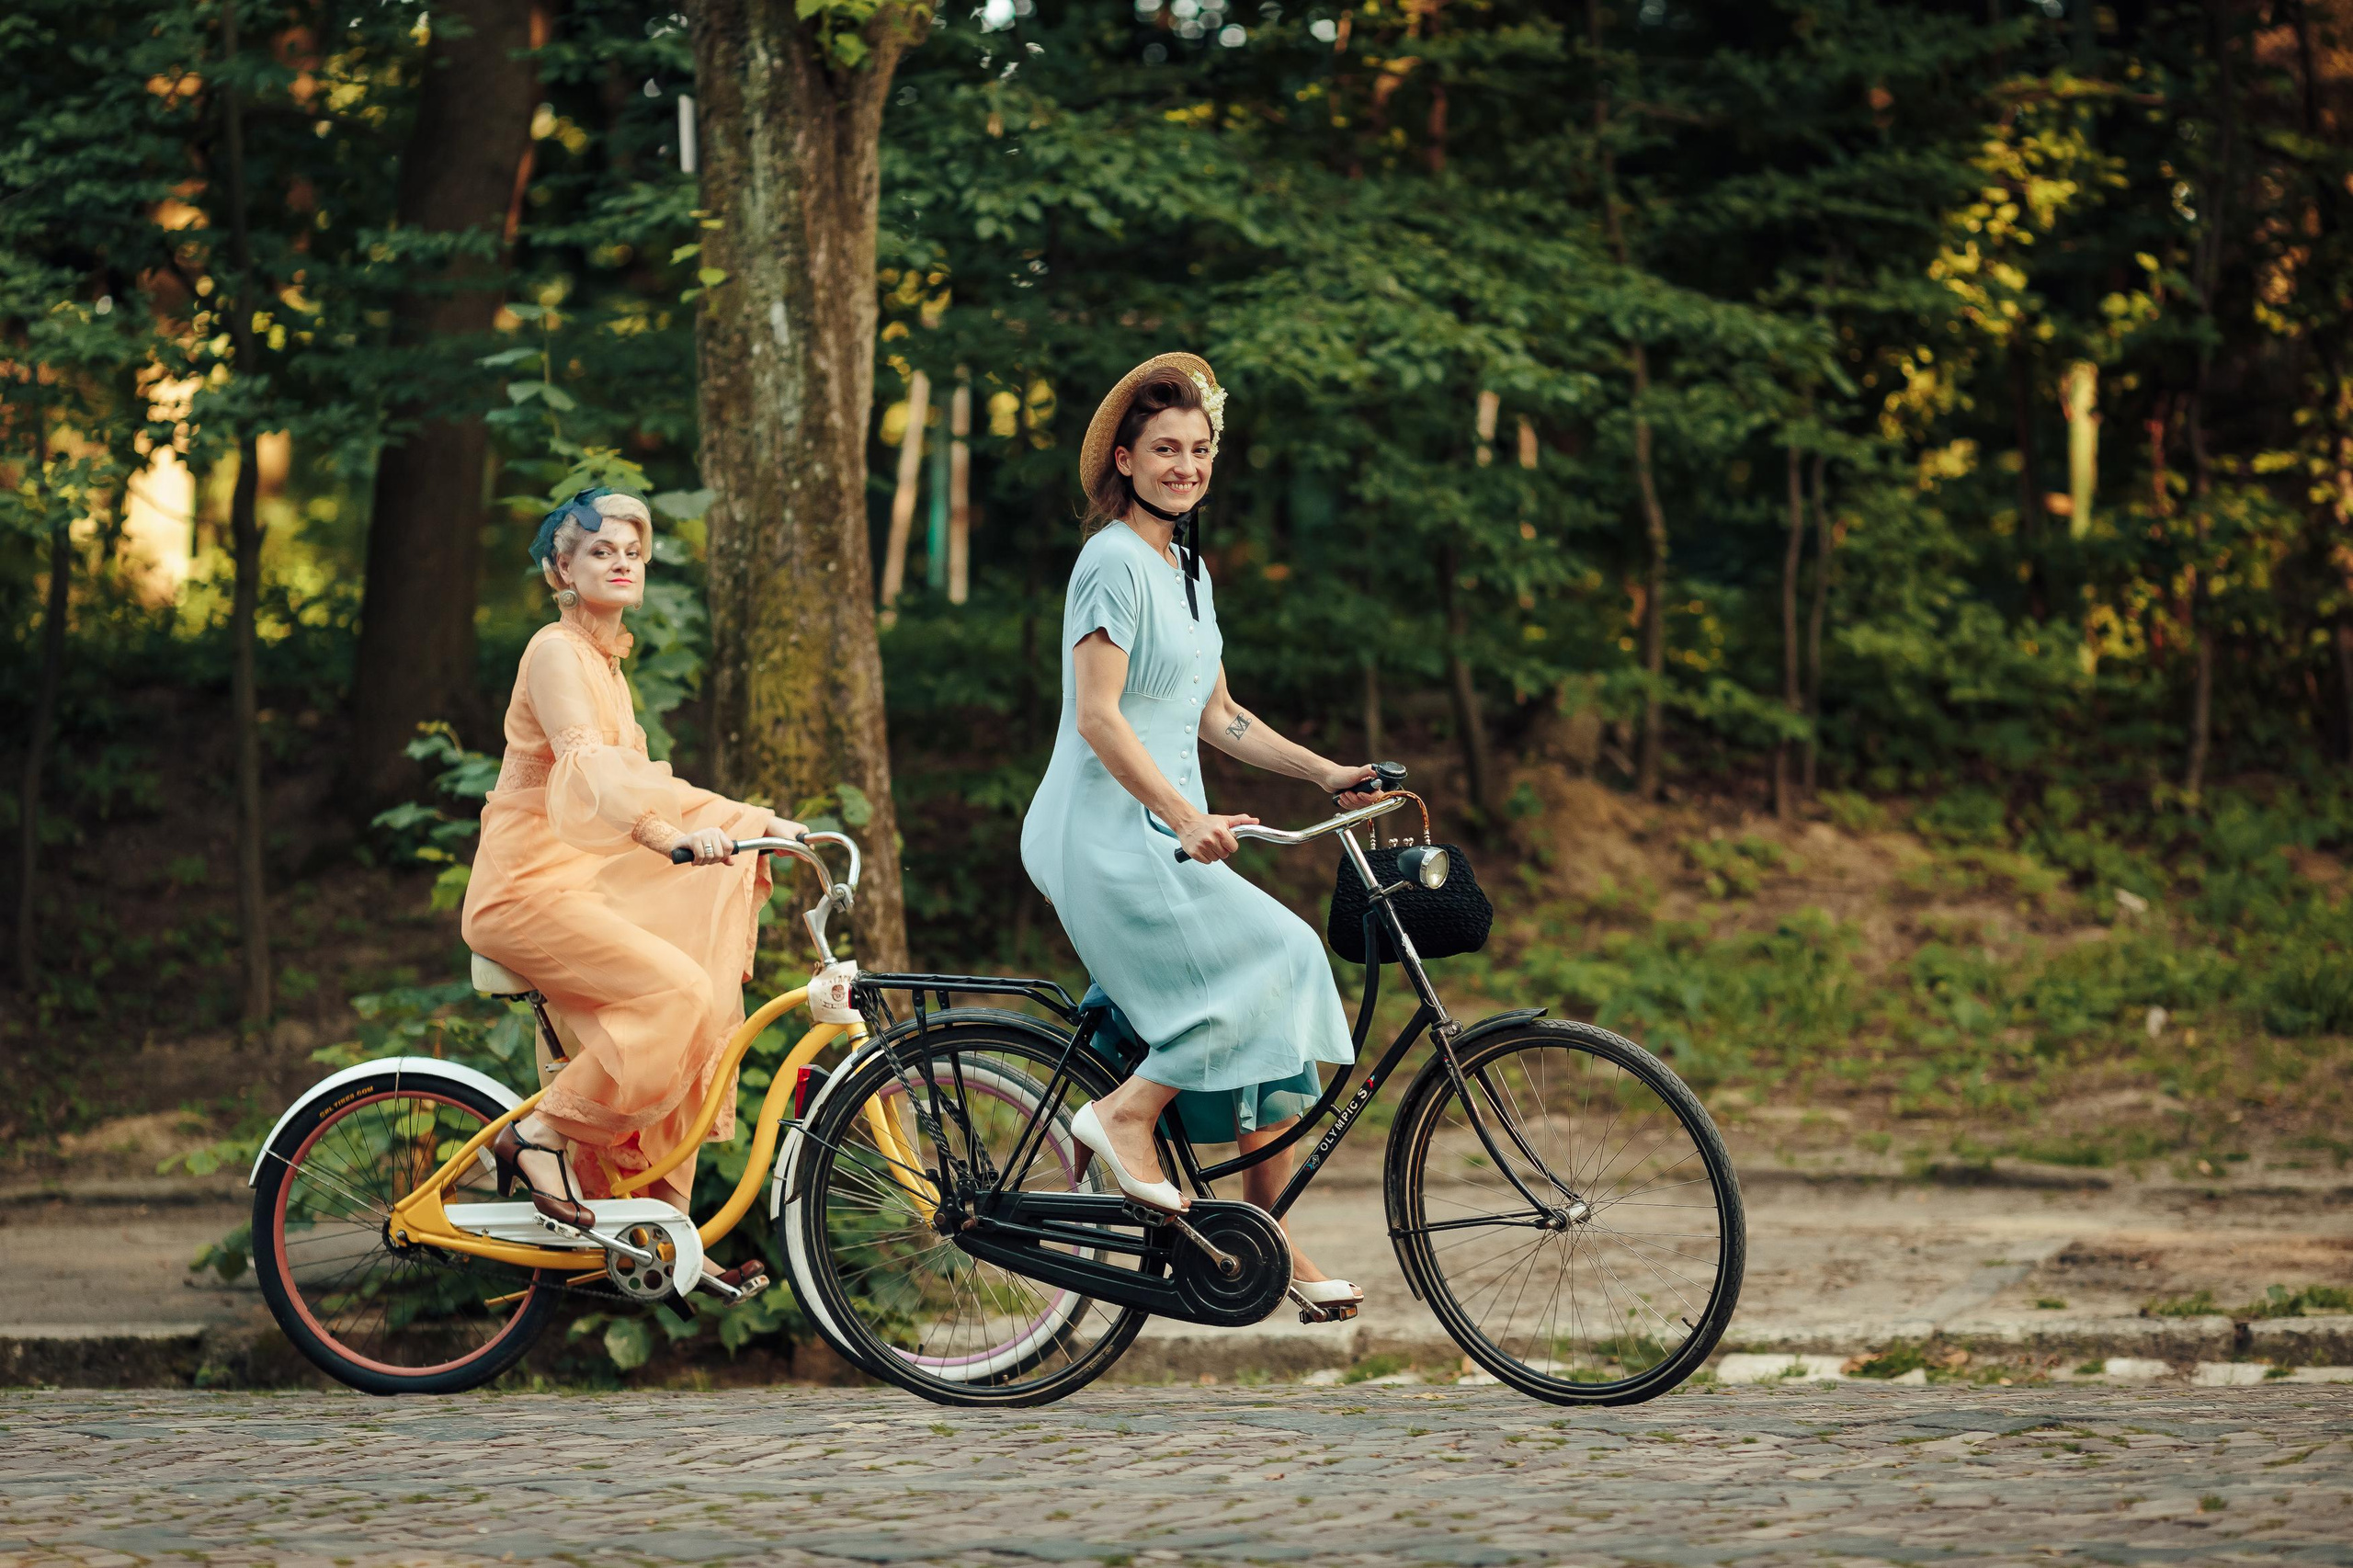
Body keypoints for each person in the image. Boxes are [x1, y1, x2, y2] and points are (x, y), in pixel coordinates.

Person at [1020, 354, 1375, 1311]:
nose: (1185, 464)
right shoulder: (1109, 561)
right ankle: (1125, 1113)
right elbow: (1100, 716)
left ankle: (1269, 1241)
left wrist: (1327, 772)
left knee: (1287, 990)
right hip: (1101, 834)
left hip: (1167, 833)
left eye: (1200, 449)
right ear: (1125, 461)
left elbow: (1218, 715)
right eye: (1165, 449)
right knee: (1269, 960)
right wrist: (1185, 814)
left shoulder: (1187, 566)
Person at [460, 488, 802, 1227]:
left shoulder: (606, 667)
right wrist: (660, 835)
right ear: (561, 568)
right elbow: (589, 768)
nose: (622, 563)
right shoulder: (555, 653)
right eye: (600, 551)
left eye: (633, 553)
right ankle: (540, 1135)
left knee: (703, 1006)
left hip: (580, 886)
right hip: (523, 890)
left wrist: (760, 823)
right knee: (677, 995)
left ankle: (654, 1218)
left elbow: (650, 784)